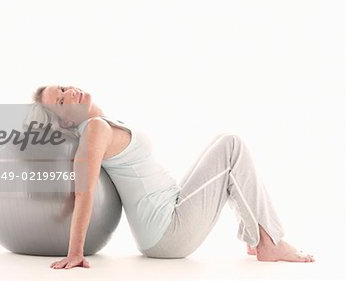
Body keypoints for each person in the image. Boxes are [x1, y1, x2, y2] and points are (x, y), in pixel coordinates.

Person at [33, 85, 315, 270]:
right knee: (231, 145)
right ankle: (269, 242)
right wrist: (75, 252)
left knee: (224, 145)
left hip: (170, 210)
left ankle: (256, 236)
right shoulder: (94, 130)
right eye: (61, 100)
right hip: (168, 231)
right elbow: (84, 190)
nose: (69, 92)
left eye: (62, 87)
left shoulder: (101, 123)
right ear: (67, 121)